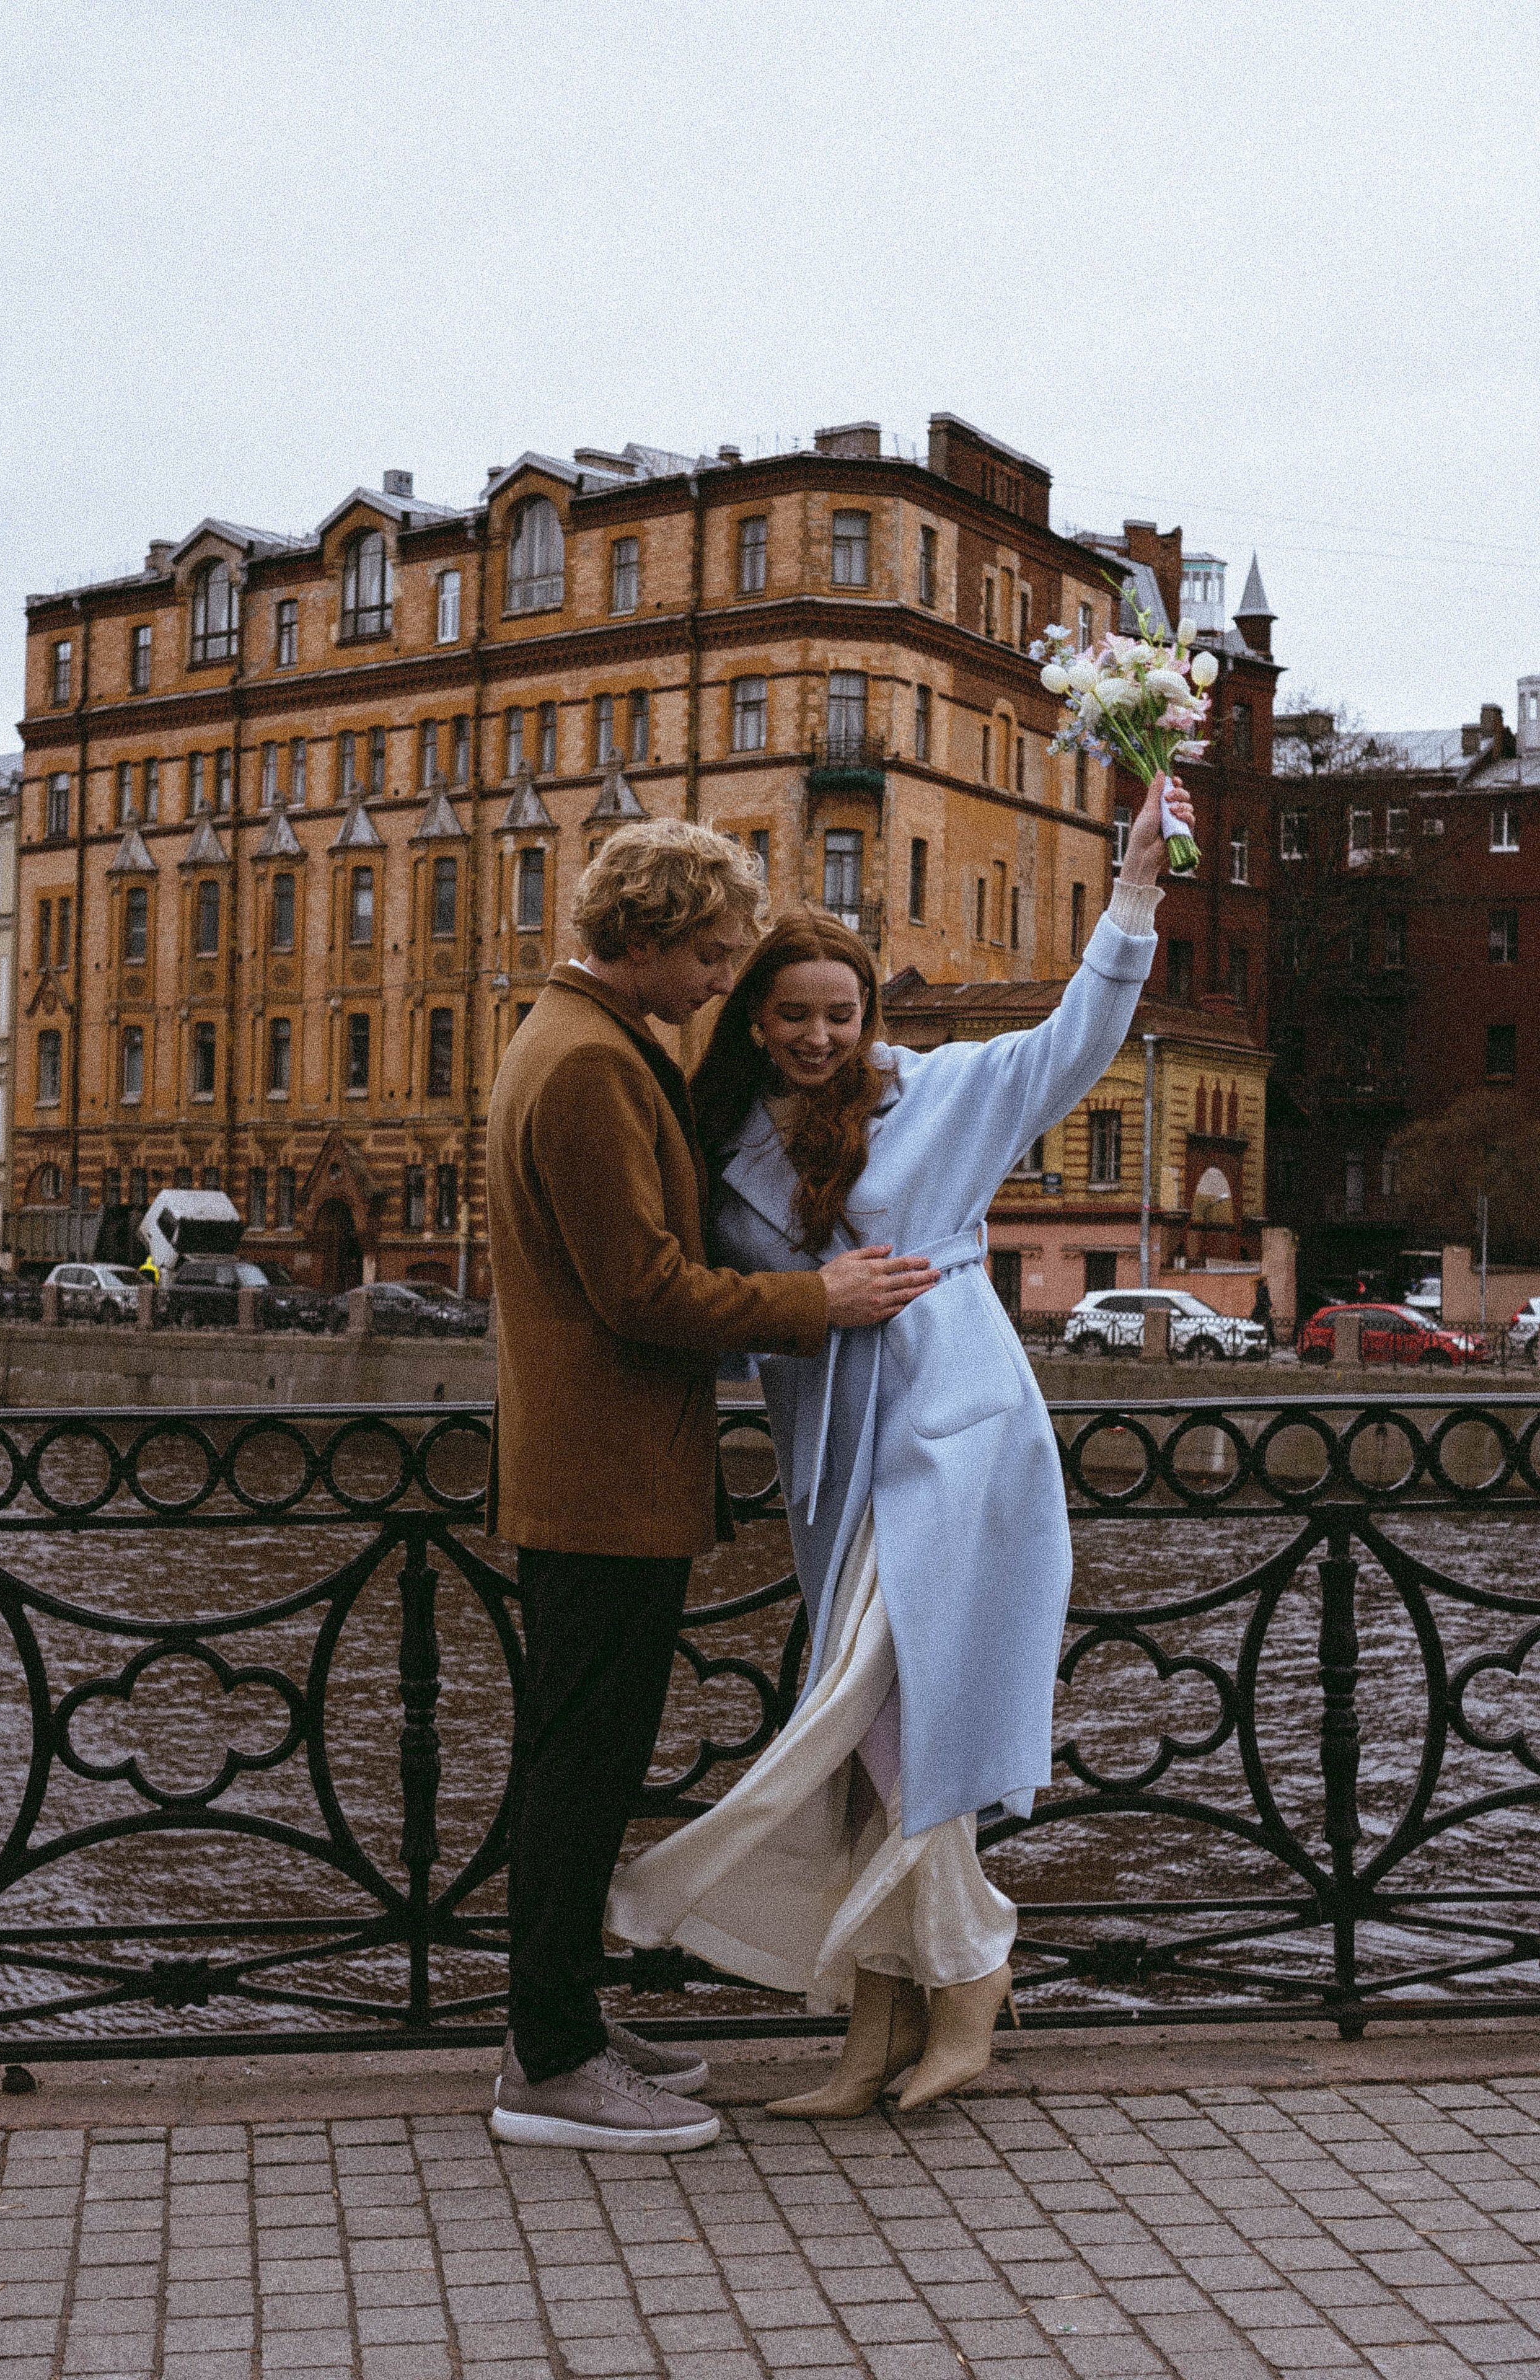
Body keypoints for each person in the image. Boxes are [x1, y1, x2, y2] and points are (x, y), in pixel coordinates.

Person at [608, 773, 1190, 2114]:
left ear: (871, 1017)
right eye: (792, 1014)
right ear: (754, 1019)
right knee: (881, 1741)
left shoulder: (937, 1099)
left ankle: (970, 1972)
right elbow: (712, 1299)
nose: (818, 1037)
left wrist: (1133, 895)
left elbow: (1070, 1042)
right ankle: (875, 2036)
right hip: (834, 1466)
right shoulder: (730, 1142)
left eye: (840, 1014)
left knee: (884, 1732)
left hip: (948, 1438)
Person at [485, 818, 939, 2153]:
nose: (719, 977)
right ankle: (550, 2065)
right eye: (708, 951)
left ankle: (554, 2019)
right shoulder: (585, 1065)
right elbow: (641, 1291)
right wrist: (821, 1299)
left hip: (599, 1475)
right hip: (598, 1481)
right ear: (642, 937)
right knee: (577, 1770)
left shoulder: (590, 1042)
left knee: (584, 1758)